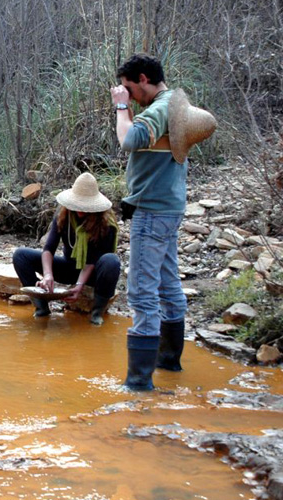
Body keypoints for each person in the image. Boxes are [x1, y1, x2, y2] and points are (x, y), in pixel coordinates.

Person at [110, 54, 216, 390]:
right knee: (168, 284)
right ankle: (169, 363)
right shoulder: (171, 106)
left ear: (142, 79)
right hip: (169, 208)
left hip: (152, 210)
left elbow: (127, 140)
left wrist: (120, 108)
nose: (128, 94)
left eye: (129, 88)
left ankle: (138, 384)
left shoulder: (158, 110)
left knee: (141, 291)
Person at [13, 173, 121, 325]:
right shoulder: (63, 214)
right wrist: (48, 275)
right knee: (20, 255)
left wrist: (79, 286)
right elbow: (49, 248)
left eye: (85, 206)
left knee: (112, 261)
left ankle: (97, 312)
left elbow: (91, 261)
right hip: (68, 266)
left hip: (94, 273)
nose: (80, 210)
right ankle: (41, 307)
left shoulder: (106, 224)